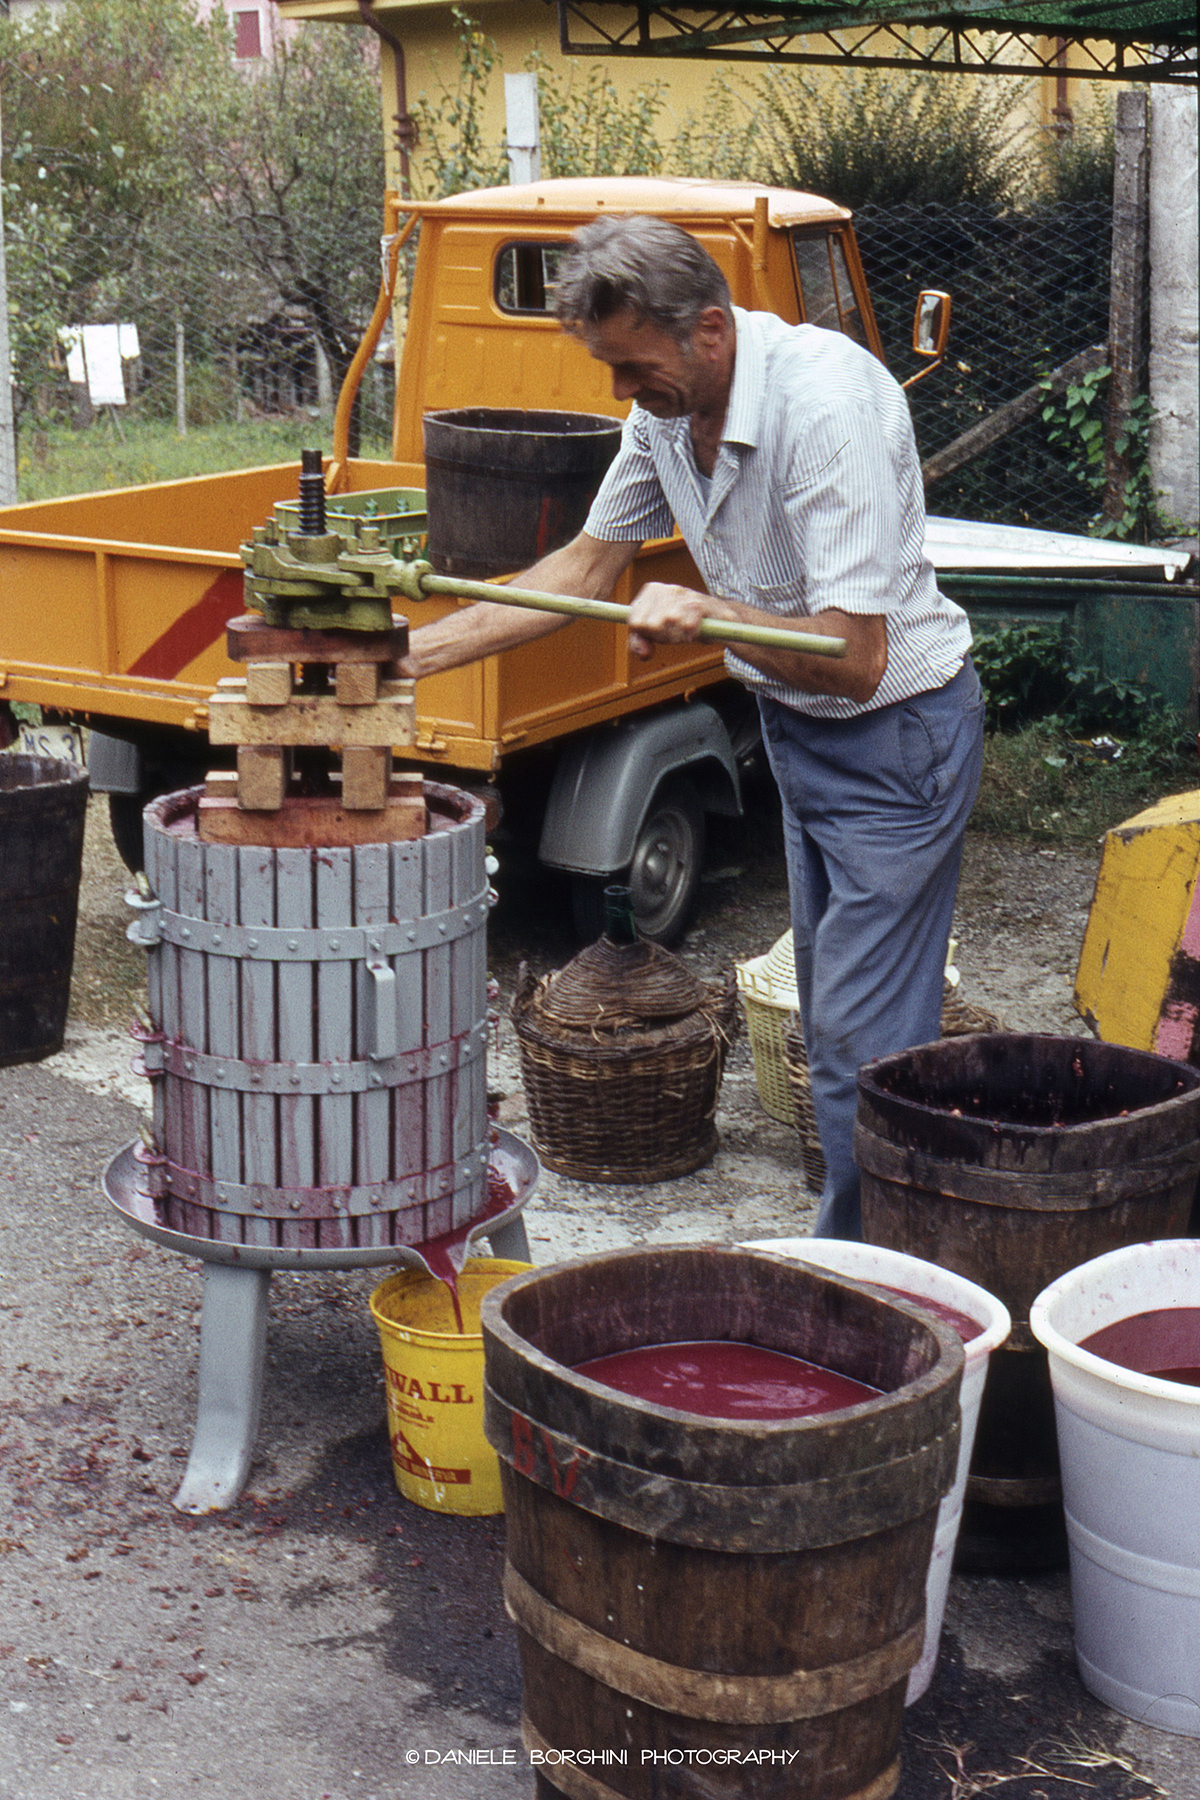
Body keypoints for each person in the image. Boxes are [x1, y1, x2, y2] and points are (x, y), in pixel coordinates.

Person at [397, 212, 984, 1240]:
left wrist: (713, 615)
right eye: (611, 369)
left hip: (896, 741)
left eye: (634, 367)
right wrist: (406, 658)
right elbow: (584, 571)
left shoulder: (826, 407)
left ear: (710, 328)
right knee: (841, 1025)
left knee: (861, 1047)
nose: (622, 392)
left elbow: (857, 658)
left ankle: (879, 1283)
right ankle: (882, 1251)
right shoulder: (668, 413)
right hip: (798, 730)